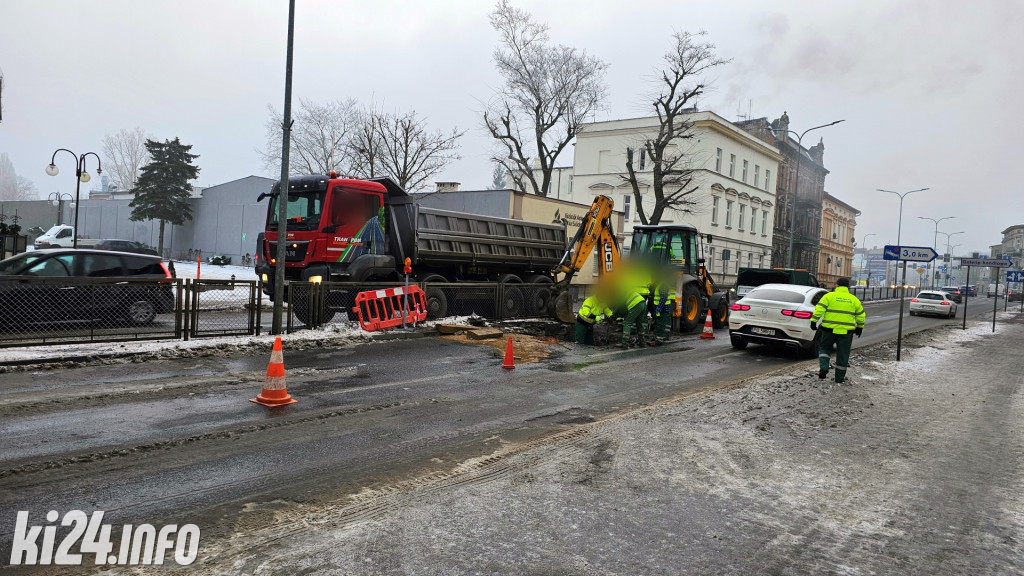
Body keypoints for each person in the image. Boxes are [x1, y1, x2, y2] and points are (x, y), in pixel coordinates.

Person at [810, 277, 866, 383]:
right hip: (846, 332)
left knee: (824, 349)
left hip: (828, 330)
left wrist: (814, 321)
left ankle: (824, 367)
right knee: (843, 354)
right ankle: (839, 379)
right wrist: (859, 327)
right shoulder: (854, 299)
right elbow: (860, 316)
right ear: (848, 286)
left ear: (837, 285)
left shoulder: (829, 296)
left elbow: (819, 309)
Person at [649, 277, 677, 345]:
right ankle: (657, 337)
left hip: (663, 308)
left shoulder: (663, 285)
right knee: (659, 323)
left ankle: (659, 339)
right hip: (661, 307)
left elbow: (663, 298)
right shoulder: (661, 285)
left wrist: (658, 308)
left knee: (661, 324)